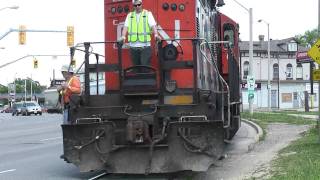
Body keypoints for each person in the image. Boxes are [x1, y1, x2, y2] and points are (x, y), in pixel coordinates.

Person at [118, 0, 160, 70]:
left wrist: (156, 35)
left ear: (141, 4)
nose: (137, 6)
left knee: (145, 68)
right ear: (133, 6)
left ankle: (145, 80)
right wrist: (123, 36)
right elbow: (125, 27)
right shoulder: (130, 15)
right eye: (135, 5)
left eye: (139, 4)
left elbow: (153, 26)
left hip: (145, 47)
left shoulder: (147, 14)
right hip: (133, 47)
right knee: (135, 69)